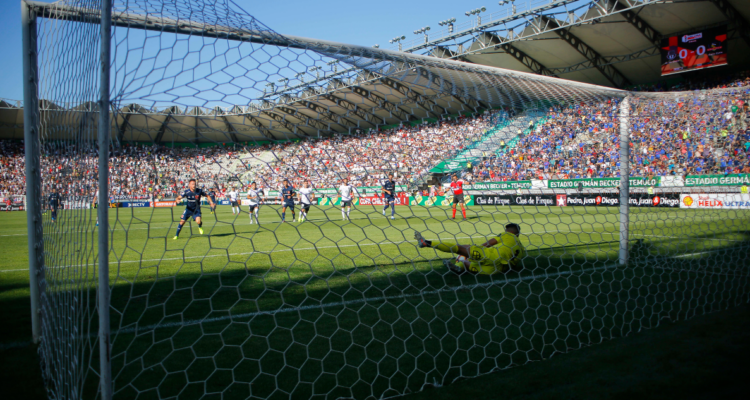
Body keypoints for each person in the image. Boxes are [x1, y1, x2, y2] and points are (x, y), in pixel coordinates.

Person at [414, 223, 526, 275]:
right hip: (497, 270)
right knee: (467, 264)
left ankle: (426, 243)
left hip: (491, 256)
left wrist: (474, 250)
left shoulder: (507, 235)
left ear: (510, 231)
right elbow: (514, 265)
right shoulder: (522, 249)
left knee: (461, 249)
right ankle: (458, 267)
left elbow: (488, 244)